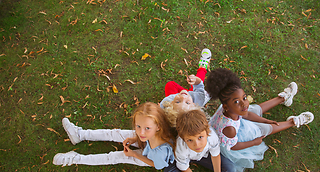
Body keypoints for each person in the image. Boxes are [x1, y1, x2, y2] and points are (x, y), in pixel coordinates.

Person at [59, 48, 212, 147]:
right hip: (185, 103)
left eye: (182, 100)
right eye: (182, 99)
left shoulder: (179, 116)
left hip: (159, 128)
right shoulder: (194, 100)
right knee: (183, 86)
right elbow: (197, 88)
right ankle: (203, 66)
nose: (183, 96)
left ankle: (81, 134)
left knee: (116, 133)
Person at [206, 68, 314, 172]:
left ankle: (283, 98)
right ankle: (292, 122)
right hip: (235, 138)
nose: (244, 104)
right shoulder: (229, 129)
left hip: (235, 119)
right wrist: (254, 142)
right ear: (225, 106)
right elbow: (234, 146)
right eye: (237, 102)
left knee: (254, 109)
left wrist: (266, 120)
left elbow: (247, 114)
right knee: (263, 129)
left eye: (244, 98)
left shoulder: (231, 109)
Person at [53, 102, 175, 170]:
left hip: (149, 157)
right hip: (148, 141)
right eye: (138, 126)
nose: (141, 132)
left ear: (158, 126)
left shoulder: (161, 152)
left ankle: (75, 159)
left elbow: (156, 164)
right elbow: (142, 133)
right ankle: (80, 135)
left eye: (147, 128)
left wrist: (133, 154)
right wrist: (134, 139)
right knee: (114, 133)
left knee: (114, 157)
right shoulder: (146, 132)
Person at [161, 48, 212, 127]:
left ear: (171, 104)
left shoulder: (167, 103)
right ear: (194, 105)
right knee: (196, 86)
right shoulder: (198, 99)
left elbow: (158, 112)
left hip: (181, 98)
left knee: (170, 85)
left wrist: (158, 108)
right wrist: (196, 81)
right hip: (194, 95)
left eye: (178, 102)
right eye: (187, 103)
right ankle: (203, 66)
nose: (183, 97)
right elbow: (199, 85)